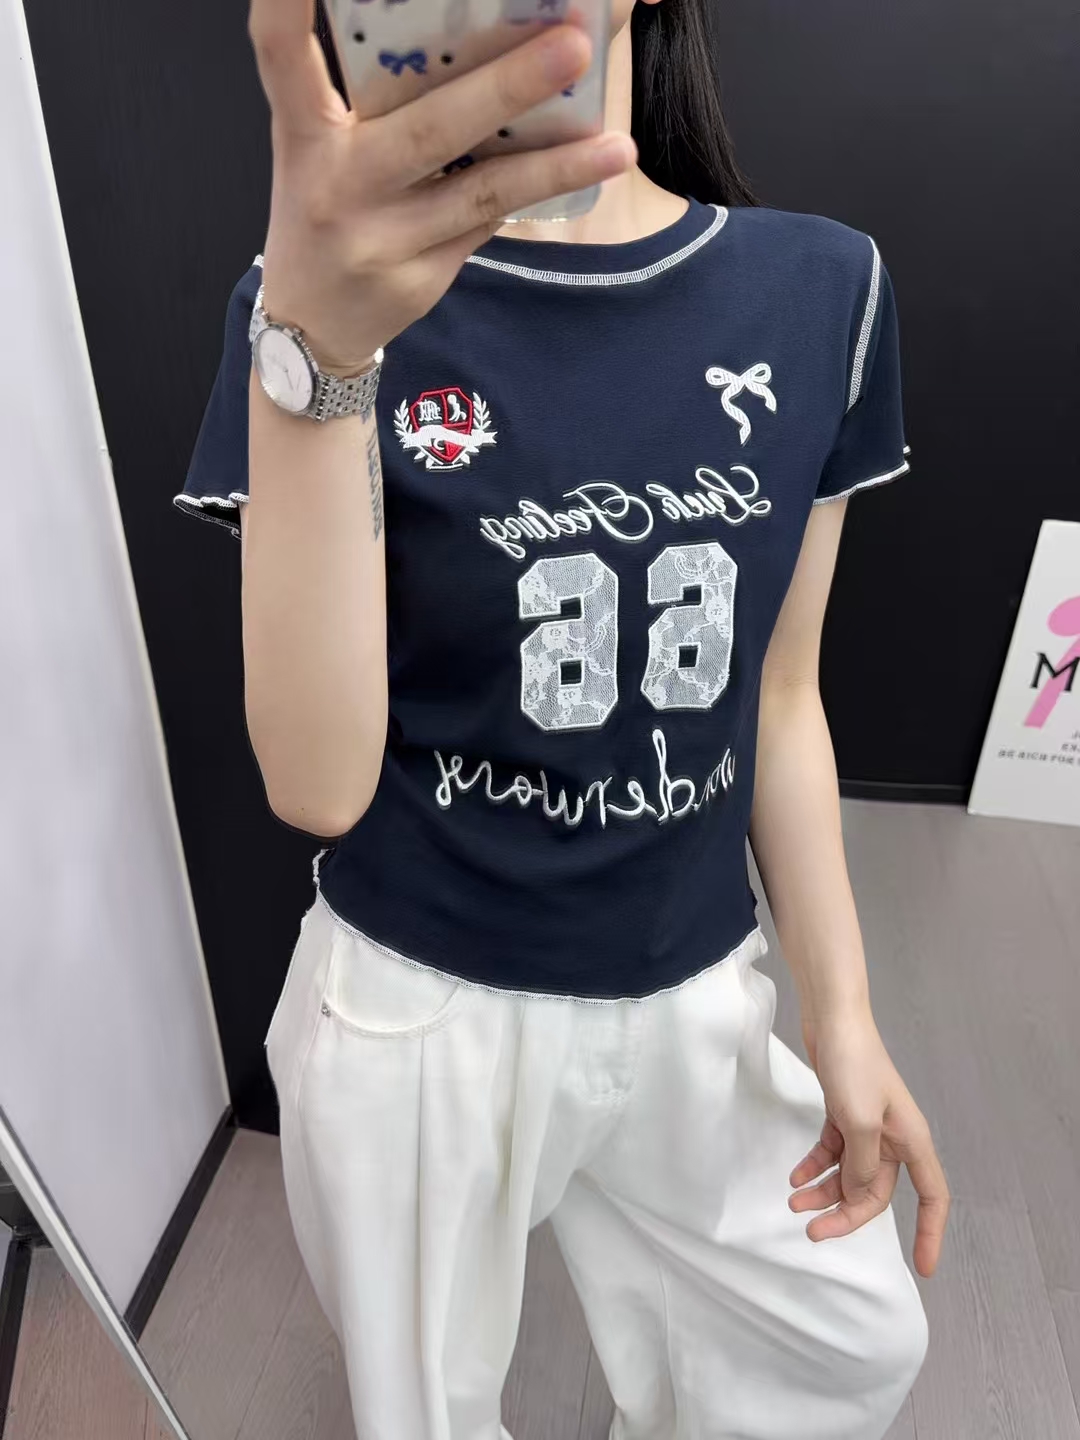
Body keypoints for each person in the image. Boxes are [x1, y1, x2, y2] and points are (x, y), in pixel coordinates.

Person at [174, 0, 950, 1434]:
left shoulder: (821, 288)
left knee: (839, 1344)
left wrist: (843, 1017)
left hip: (691, 984)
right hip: (422, 1007)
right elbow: (318, 785)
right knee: (424, 1414)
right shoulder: (313, 305)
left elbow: (781, 694)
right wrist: (320, 354)